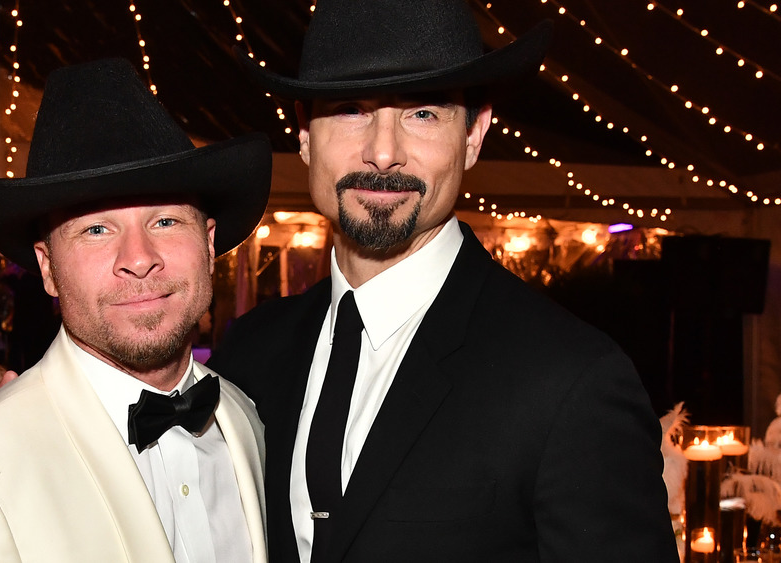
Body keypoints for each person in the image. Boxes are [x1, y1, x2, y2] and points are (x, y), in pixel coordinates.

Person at [206, 0, 679, 561]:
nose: (383, 152)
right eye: (351, 109)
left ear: (475, 136)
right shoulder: (251, 354)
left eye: (423, 113)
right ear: (305, 134)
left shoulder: (571, 380)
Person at [0, 58, 273, 562]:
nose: (139, 259)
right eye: (96, 230)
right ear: (47, 268)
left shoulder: (246, 420)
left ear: (209, 244)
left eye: (167, 221)